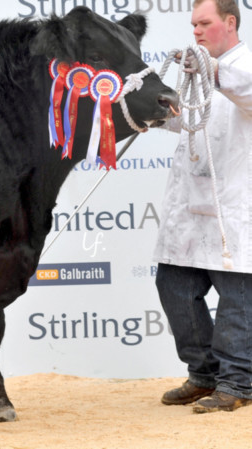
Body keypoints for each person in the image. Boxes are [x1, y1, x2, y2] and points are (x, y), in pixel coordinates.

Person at [154, 0, 252, 414]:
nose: (195, 31)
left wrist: (208, 70)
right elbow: (186, 119)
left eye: (204, 23)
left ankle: (238, 382)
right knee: (174, 286)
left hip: (235, 207)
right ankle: (203, 373)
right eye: (192, 24)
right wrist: (150, 105)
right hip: (190, 208)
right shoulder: (203, 71)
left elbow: (242, 89)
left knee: (237, 300)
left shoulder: (242, 66)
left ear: (229, 22)